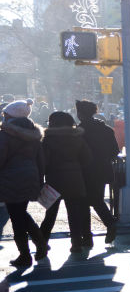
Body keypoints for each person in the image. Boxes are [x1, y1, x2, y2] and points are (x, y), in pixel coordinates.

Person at [0, 100, 47, 268]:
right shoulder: (34, 135)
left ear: (9, 115)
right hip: (30, 176)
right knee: (20, 213)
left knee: (16, 216)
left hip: (10, 179)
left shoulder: (5, 134)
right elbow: (41, 160)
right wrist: (40, 179)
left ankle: (26, 254)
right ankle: (39, 243)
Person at [39, 111, 92, 253]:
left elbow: (43, 161)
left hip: (54, 179)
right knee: (74, 212)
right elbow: (87, 158)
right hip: (75, 179)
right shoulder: (77, 138)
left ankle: (42, 242)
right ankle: (76, 244)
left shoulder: (48, 140)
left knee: (50, 213)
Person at [75, 100, 119, 244]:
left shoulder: (79, 131)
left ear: (80, 114)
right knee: (97, 200)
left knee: (83, 203)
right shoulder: (106, 129)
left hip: (84, 171)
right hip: (103, 170)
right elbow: (115, 151)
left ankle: (88, 236)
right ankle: (108, 225)